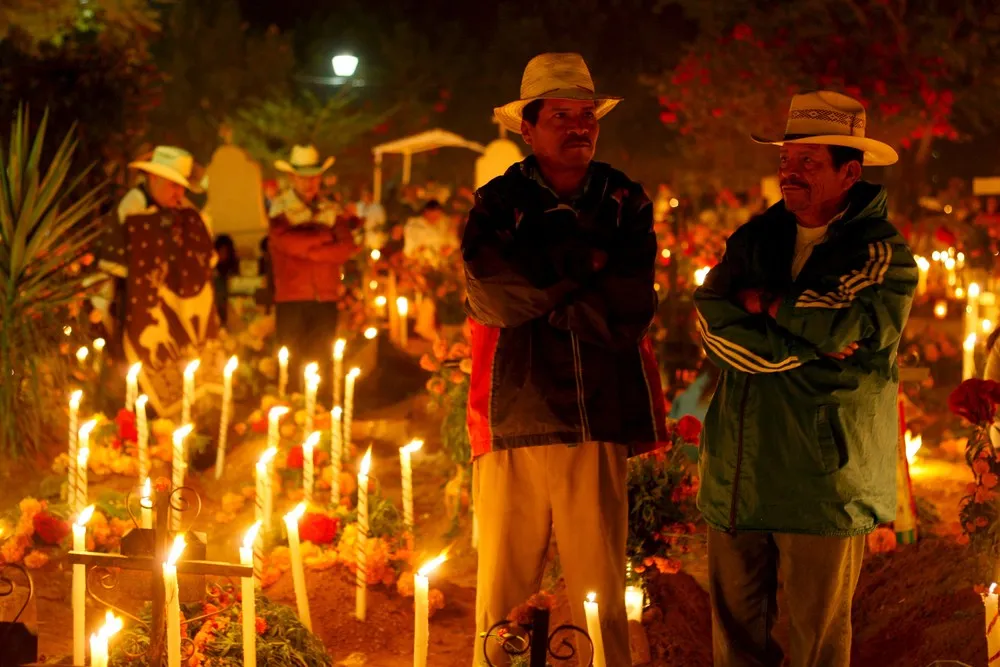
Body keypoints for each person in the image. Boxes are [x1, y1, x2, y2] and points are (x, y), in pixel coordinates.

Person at [694, 91, 918, 667]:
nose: (789, 175)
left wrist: (761, 303)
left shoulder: (880, 252)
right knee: (736, 647)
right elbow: (710, 317)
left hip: (823, 484)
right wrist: (801, 340)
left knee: (816, 646)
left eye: (807, 163)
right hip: (737, 473)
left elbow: (844, 322)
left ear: (850, 172)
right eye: (785, 161)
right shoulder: (753, 239)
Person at [462, 52, 669, 667]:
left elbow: (634, 305)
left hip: (597, 414)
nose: (579, 126)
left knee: (598, 589)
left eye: (587, 115)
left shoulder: (624, 199)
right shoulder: (498, 202)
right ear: (526, 128)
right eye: (562, 116)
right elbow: (493, 294)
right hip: (514, 413)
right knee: (502, 588)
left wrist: (548, 285)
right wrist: (582, 275)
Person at [95, 146, 222, 417]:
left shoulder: (183, 210)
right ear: (153, 179)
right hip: (133, 307)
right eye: (173, 186)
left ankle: (174, 424)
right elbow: (118, 263)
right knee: (133, 370)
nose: (179, 194)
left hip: (176, 306)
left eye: (182, 188)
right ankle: (134, 423)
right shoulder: (132, 204)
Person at [268, 145, 358, 394]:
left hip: (326, 298)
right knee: (292, 359)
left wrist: (308, 248)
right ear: (292, 178)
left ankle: (318, 413)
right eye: (304, 177)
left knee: (322, 358)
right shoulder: (279, 208)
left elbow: (346, 247)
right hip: (292, 298)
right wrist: (324, 236)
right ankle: (290, 414)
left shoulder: (331, 209)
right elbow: (284, 242)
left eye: (314, 177)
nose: (309, 183)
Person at [403, 199, 457, 267]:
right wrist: (418, 251)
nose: (436, 218)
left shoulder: (445, 222)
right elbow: (409, 249)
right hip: (421, 261)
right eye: (433, 215)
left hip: (442, 261)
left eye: (438, 215)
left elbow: (453, 240)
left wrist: (450, 248)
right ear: (426, 211)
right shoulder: (413, 225)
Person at [212, 234, 239, 327]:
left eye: (225, 252)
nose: (223, 255)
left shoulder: (232, 268)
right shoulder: (212, 271)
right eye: (221, 251)